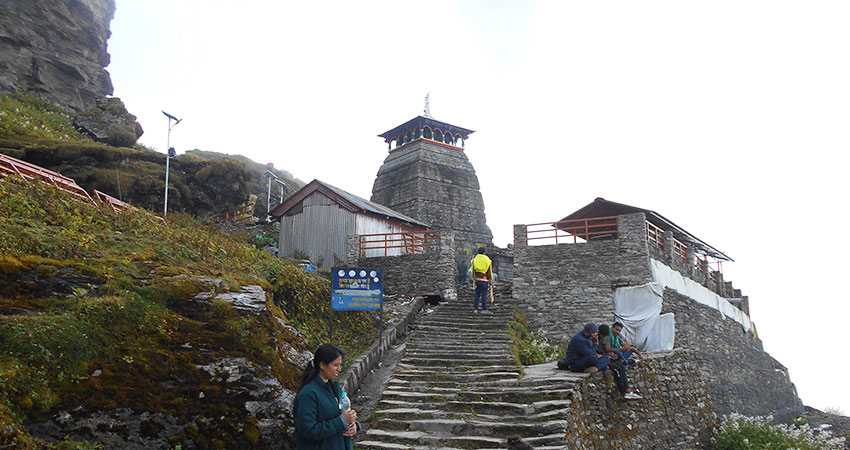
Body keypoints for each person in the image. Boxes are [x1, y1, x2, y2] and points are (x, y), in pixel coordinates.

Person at [293, 344, 358, 450]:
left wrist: (352, 425)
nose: (339, 369)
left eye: (340, 365)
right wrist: (341, 421)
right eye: (335, 365)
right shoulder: (309, 394)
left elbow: (339, 415)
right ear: (322, 365)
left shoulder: (334, 389)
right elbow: (309, 430)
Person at [598, 325, 642, 400]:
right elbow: (607, 350)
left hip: (610, 357)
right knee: (618, 368)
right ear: (612, 328)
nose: (618, 332)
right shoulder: (607, 336)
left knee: (622, 365)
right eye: (616, 329)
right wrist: (618, 351)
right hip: (605, 359)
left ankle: (628, 391)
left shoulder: (617, 337)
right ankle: (625, 391)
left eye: (619, 331)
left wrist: (639, 353)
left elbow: (627, 347)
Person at [470, 247, 493, 314]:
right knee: (483, 294)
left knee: (477, 294)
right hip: (484, 280)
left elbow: (472, 269)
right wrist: (490, 279)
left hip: (477, 280)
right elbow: (489, 271)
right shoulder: (487, 260)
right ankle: (484, 309)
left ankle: (475, 309)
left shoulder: (475, 259)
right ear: (484, 252)